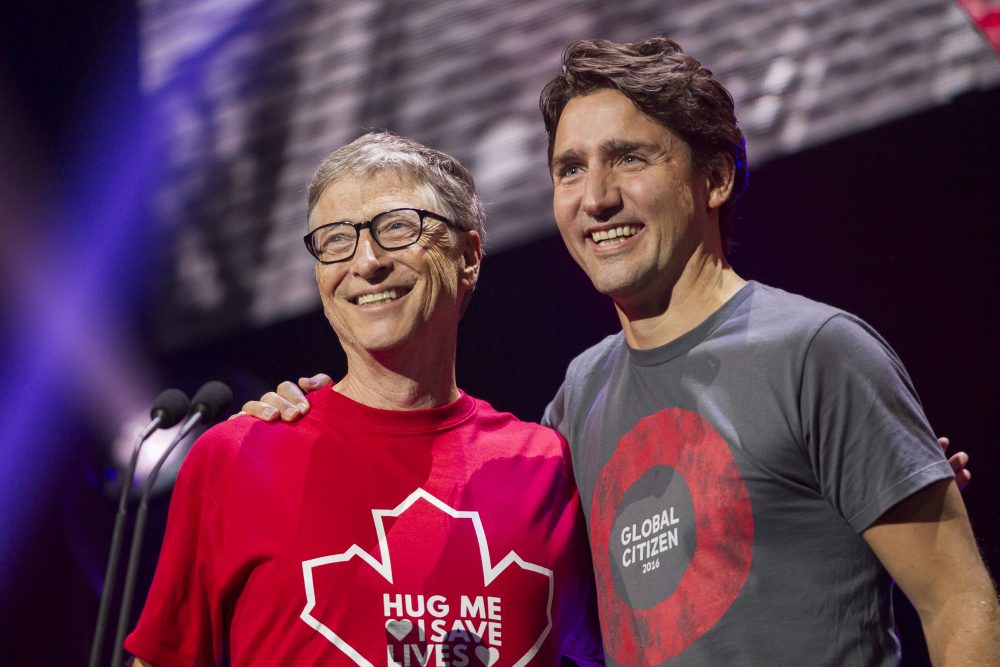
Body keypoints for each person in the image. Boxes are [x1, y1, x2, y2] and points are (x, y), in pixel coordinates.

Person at [245, 37, 999, 665]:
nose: (595, 196)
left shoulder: (819, 352)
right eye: (570, 168)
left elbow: (960, 601)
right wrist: (311, 419)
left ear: (714, 177)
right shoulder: (578, 396)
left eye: (628, 158)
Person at [124, 132, 604, 666]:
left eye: (396, 228)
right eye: (335, 240)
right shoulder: (237, 459)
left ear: (468, 256)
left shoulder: (547, 466)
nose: (367, 261)